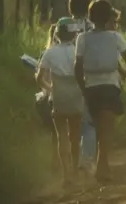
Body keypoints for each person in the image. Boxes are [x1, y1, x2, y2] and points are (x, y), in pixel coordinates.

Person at [74, 0, 126, 183]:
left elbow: (77, 67)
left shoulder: (83, 38)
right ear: (109, 16)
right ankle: (102, 166)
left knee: (96, 127)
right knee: (106, 129)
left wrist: (83, 89)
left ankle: (97, 165)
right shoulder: (114, 37)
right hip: (110, 86)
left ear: (90, 17)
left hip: (91, 87)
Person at [36, 18, 83, 186]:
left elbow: (39, 78)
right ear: (73, 34)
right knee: (75, 135)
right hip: (76, 96)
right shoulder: (78, 51)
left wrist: (50, 89)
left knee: (61, 135)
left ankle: (66, 175)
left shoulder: (50, 53)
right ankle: (76, 170)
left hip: (59, 97)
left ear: (56, 34)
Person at [68, 0, 96, 174]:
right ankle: (85, 160)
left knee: (69, 123)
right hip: (88, 76)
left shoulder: (62, 26)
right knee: (89, 123)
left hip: (64, 76)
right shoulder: (93, 27)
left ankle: (67, 161)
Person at [36, 24, 59, 172]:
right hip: (57, 96)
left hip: (48, 96)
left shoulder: (46, 53)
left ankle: (55, 161)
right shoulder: (69, 52)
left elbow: (40, 78)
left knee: (56, 132)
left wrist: (49, 89)